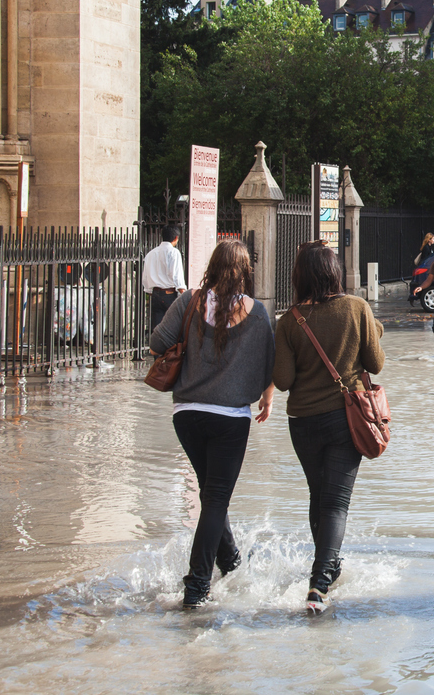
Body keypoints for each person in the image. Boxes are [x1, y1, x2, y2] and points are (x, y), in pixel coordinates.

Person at [150, 239, 276, 609]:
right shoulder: (257, 313)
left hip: (186, 415)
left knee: (210, 495)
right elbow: (272, 365)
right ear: (245, 271)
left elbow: (158, 343)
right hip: (230, 420)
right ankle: (197, 586)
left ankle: (231, 561)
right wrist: (267, 396)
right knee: (216, 499)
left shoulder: (189, 300)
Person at [273, 241, 385, 613]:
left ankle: (330, 568)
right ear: (334, 272)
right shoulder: (357, 308)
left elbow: (284, 380)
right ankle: (319, 584)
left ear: (300, 277)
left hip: (302, 421)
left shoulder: (289, 320)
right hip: (345, 418)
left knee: (317, 495)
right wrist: (374, 332)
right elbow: (376, 363)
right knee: (336, 503)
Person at [143, 224, 187, 332]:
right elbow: (177, 277)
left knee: (157, 329)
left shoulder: (150, 254)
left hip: (155, 294)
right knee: (173, 328)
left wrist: (149, 290)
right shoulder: (174, 252)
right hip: (169, 295)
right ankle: (170, 349)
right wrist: (185, 293)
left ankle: (157, 349)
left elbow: (145, 277)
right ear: (176, 238)